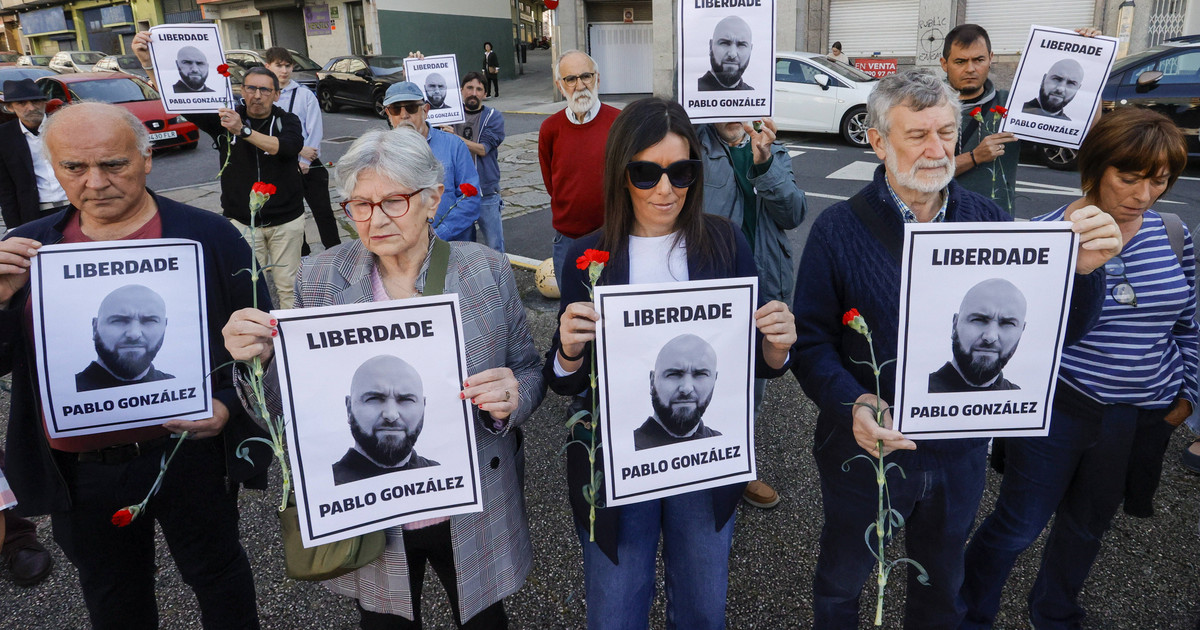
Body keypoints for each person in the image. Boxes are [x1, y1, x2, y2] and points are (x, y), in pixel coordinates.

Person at [789, 69, 1119, 629]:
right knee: (843, 581)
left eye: (946, 132)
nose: (937, 149)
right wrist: (853, 403)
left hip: (959, 452)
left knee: (942, 586)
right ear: (877, 140)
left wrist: (1084, 274)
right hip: (865, 450)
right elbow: (811, 341)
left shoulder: (990, 222)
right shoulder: (838, 229)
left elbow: (1061, 333)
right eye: (917, 135)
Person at [222, 127, 544, 628]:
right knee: (384, 622)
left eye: (393, 201)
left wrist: (515, 396)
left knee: (484, 620)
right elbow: (286, 411)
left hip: (469, 502)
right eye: (360, 205)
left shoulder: (486, 271)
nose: (375, 219)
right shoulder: (319, 278)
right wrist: (257, 362)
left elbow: (527, 369)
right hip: (369, 514)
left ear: (433, 199)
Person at [0, 101, 270, 629]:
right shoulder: (28, 249)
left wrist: (228, 403)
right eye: (73, 168)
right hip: (82, 471)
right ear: (53, 167)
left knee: (218, 575)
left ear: (147, 159)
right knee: (114, 596)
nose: (95, 182)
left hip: (187, 454)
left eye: (113, 164)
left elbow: (265, 333)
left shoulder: (210, 236)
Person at [545, 97, 796, 629]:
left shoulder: (726, 243)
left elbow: (748, 360)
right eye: (646, 173)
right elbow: (565, 383)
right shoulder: (588, 257)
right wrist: (567, 352)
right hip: (618, 462)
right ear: (620, 173)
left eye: (681, 172)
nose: (665, 189)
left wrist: (776, 348)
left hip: (703, 466)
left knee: (704, 609)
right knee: (615, 610)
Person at [961, 107, 1197, 630]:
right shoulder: (1048, 236)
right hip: (1061, 408)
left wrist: (1185, 401)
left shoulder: (1176, 235)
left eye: (1159, 181)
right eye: (1129, 178)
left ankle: (1056, 612)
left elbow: (1188, 324)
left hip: (1136, 416)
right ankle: (970, 612)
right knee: (1020, 523)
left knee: (1088, 526)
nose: (1143, 195)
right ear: (1094, 169)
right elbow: (1020, 335)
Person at [137, 32, 307, 310]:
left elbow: (286, 148)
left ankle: (292, 343)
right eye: (251, 88)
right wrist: (147, 63)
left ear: (277, 94)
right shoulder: (224, 120)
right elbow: (180, 99)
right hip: (242, 221)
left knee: (288, 286)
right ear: (242, 90)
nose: (257, 95)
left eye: (265, 90)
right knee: (252, 288)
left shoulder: (287, 120)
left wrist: (243, 130)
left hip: (286, 221)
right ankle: (258, 346)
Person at [698, 116, 805, 509]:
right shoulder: (695, 145)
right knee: (704, 374)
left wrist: (763, 165)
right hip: (712, 287)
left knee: (751, 386)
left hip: (766, 284)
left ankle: (738, 467)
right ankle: (689, 462)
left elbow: (793, 213)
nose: (733, 114)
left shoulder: (772, 148)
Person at [538, 49, 620, 292]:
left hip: (613, 236)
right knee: (572, 310)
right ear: (560, 85)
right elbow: (552, 183)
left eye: (586, 76)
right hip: (567, 241)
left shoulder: (619, 123)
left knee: (613, 314)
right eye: (570, 79)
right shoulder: (550, 129)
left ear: (597, 78)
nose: (580, 85)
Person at [264, 47, 341, 253]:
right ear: (268, 67)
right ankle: (303, 257)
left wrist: (305, 161)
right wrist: (300, 150)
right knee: (292, 217)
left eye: (288, 65)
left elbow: (314, 130)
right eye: (279, 65)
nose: (284, 70)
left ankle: (335, 253)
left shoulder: (304, 95)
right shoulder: (264, 96)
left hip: (308, 165)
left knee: (323, 211)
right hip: (280, 165)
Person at [382, 81, 480, 243]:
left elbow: (471, 199)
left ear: (425, 110)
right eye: (395, 109)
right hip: (405, 247)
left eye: (411, 108)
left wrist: (438, 234)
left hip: (453, 243)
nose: (404, 115)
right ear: (388, 114)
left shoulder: (453, 145)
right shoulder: (381, 153)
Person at [941, 24, 1020, 212]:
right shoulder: (925, 107)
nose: (970, 69)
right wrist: (975, 157)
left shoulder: (1011, 105)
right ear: (944, 64)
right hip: (940, 227)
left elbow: (1082, 131)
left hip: (994, 226)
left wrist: (1093, 62)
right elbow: (920, 173)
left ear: (990, 58)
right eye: (960, 61)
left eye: (979, 60)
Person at [333, 355, 438, 485]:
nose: (391, 415)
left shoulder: (444, 476)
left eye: (406, 399)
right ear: (349, 409)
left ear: (423, 407)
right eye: (374, 399)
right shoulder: (318, 490)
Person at [927, 278, 1026, 394]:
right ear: (955, 325)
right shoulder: (916, 392)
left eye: (1008, 323)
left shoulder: (1020, 398)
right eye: (978, 319)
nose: (990, 337)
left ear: (1021, 330)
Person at [75, 284, 174, 392]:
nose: (134, 334)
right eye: (118, 320)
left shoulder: (174, 386)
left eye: (150, 320)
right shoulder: (70, 392)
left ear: (164, 327)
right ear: (95, 328)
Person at [448, 72, 506, 252]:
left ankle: (499, 279)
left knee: (495, 246)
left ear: (485, 94)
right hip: (457, 194)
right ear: (461, 90)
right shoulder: (448, 115)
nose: (474, 93)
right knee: (463, 247)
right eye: (469, 88)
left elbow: (483, 149)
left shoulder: (493, 117)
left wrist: (453, 137)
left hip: (486, 192)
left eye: (479, 89)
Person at [0, 78, 70, 229]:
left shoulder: (65, 127)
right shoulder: (4, 137)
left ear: (44, 102)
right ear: (10, 107)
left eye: (36, 101)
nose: (31, 108)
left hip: (74, 206)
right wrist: (14, 227)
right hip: (34, 213)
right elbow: (6, 189)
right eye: (22, 103)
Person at [634, 334, 723, 450]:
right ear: (652, 381)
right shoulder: (618, 451)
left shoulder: (723, 446)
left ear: (714, 380)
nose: (686, 388)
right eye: (674, 374)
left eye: (700, 374)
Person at [698, 16, 754, 91]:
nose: (732, 54)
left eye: (741, 45)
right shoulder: (692, 91)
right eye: (725, 43)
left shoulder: (752, 95)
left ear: (750, 49)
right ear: (710, 46)